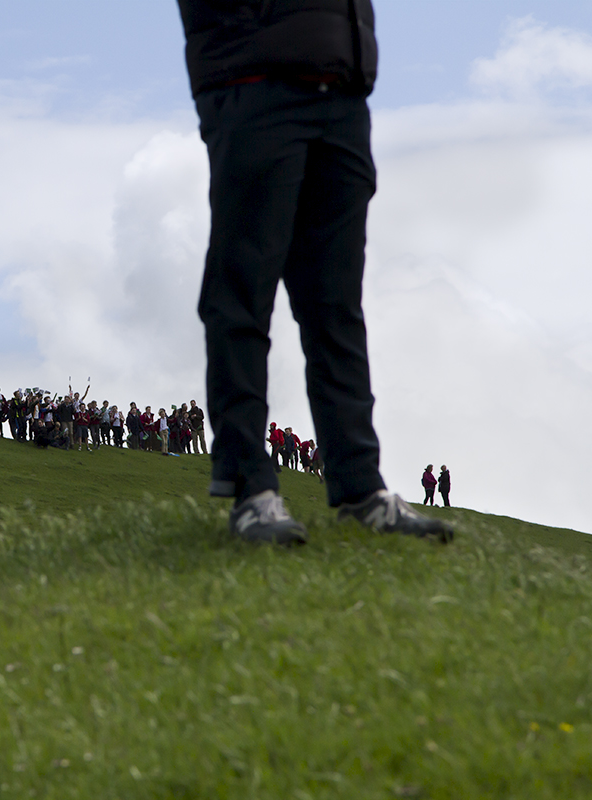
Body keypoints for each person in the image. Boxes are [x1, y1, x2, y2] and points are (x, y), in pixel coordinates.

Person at [177, 0, 451, 545]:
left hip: (341, 87)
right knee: (242, 292)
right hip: (254, 80)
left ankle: (360, 487)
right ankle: (251, 489)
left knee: (336, 304)